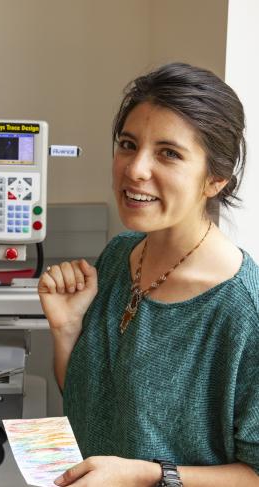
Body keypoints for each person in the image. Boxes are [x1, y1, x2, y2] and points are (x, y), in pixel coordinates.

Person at [38, 63, 259, 486]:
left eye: (168, 153)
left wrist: (146, 476)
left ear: (215, 178)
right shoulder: (120, 256)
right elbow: (90, 407)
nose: (135, 169)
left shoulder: (241, 311)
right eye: (127, 144)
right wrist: (66, 331)